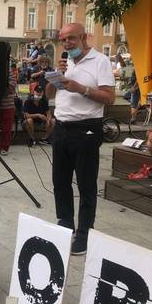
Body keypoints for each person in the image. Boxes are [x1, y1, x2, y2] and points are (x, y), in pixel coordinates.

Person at [45, 23, 115, 255]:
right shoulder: (65, 62)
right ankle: (65, 227)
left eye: (71, 39)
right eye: (63, 40)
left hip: (86, 129)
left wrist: (81, 89)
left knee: (86, 184)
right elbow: (48, 95)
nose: (66, 44)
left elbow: (109, 98)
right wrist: (56, 78)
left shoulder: (100, 61)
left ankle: (85, 234)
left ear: (84, 38)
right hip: (62, 127)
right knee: (60, 182)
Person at [0, 64, 17, 156]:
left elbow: (12, 87)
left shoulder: (8, 70)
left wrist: (1, 83)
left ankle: (4, 147)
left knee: (7, 129)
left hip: (8, 105)